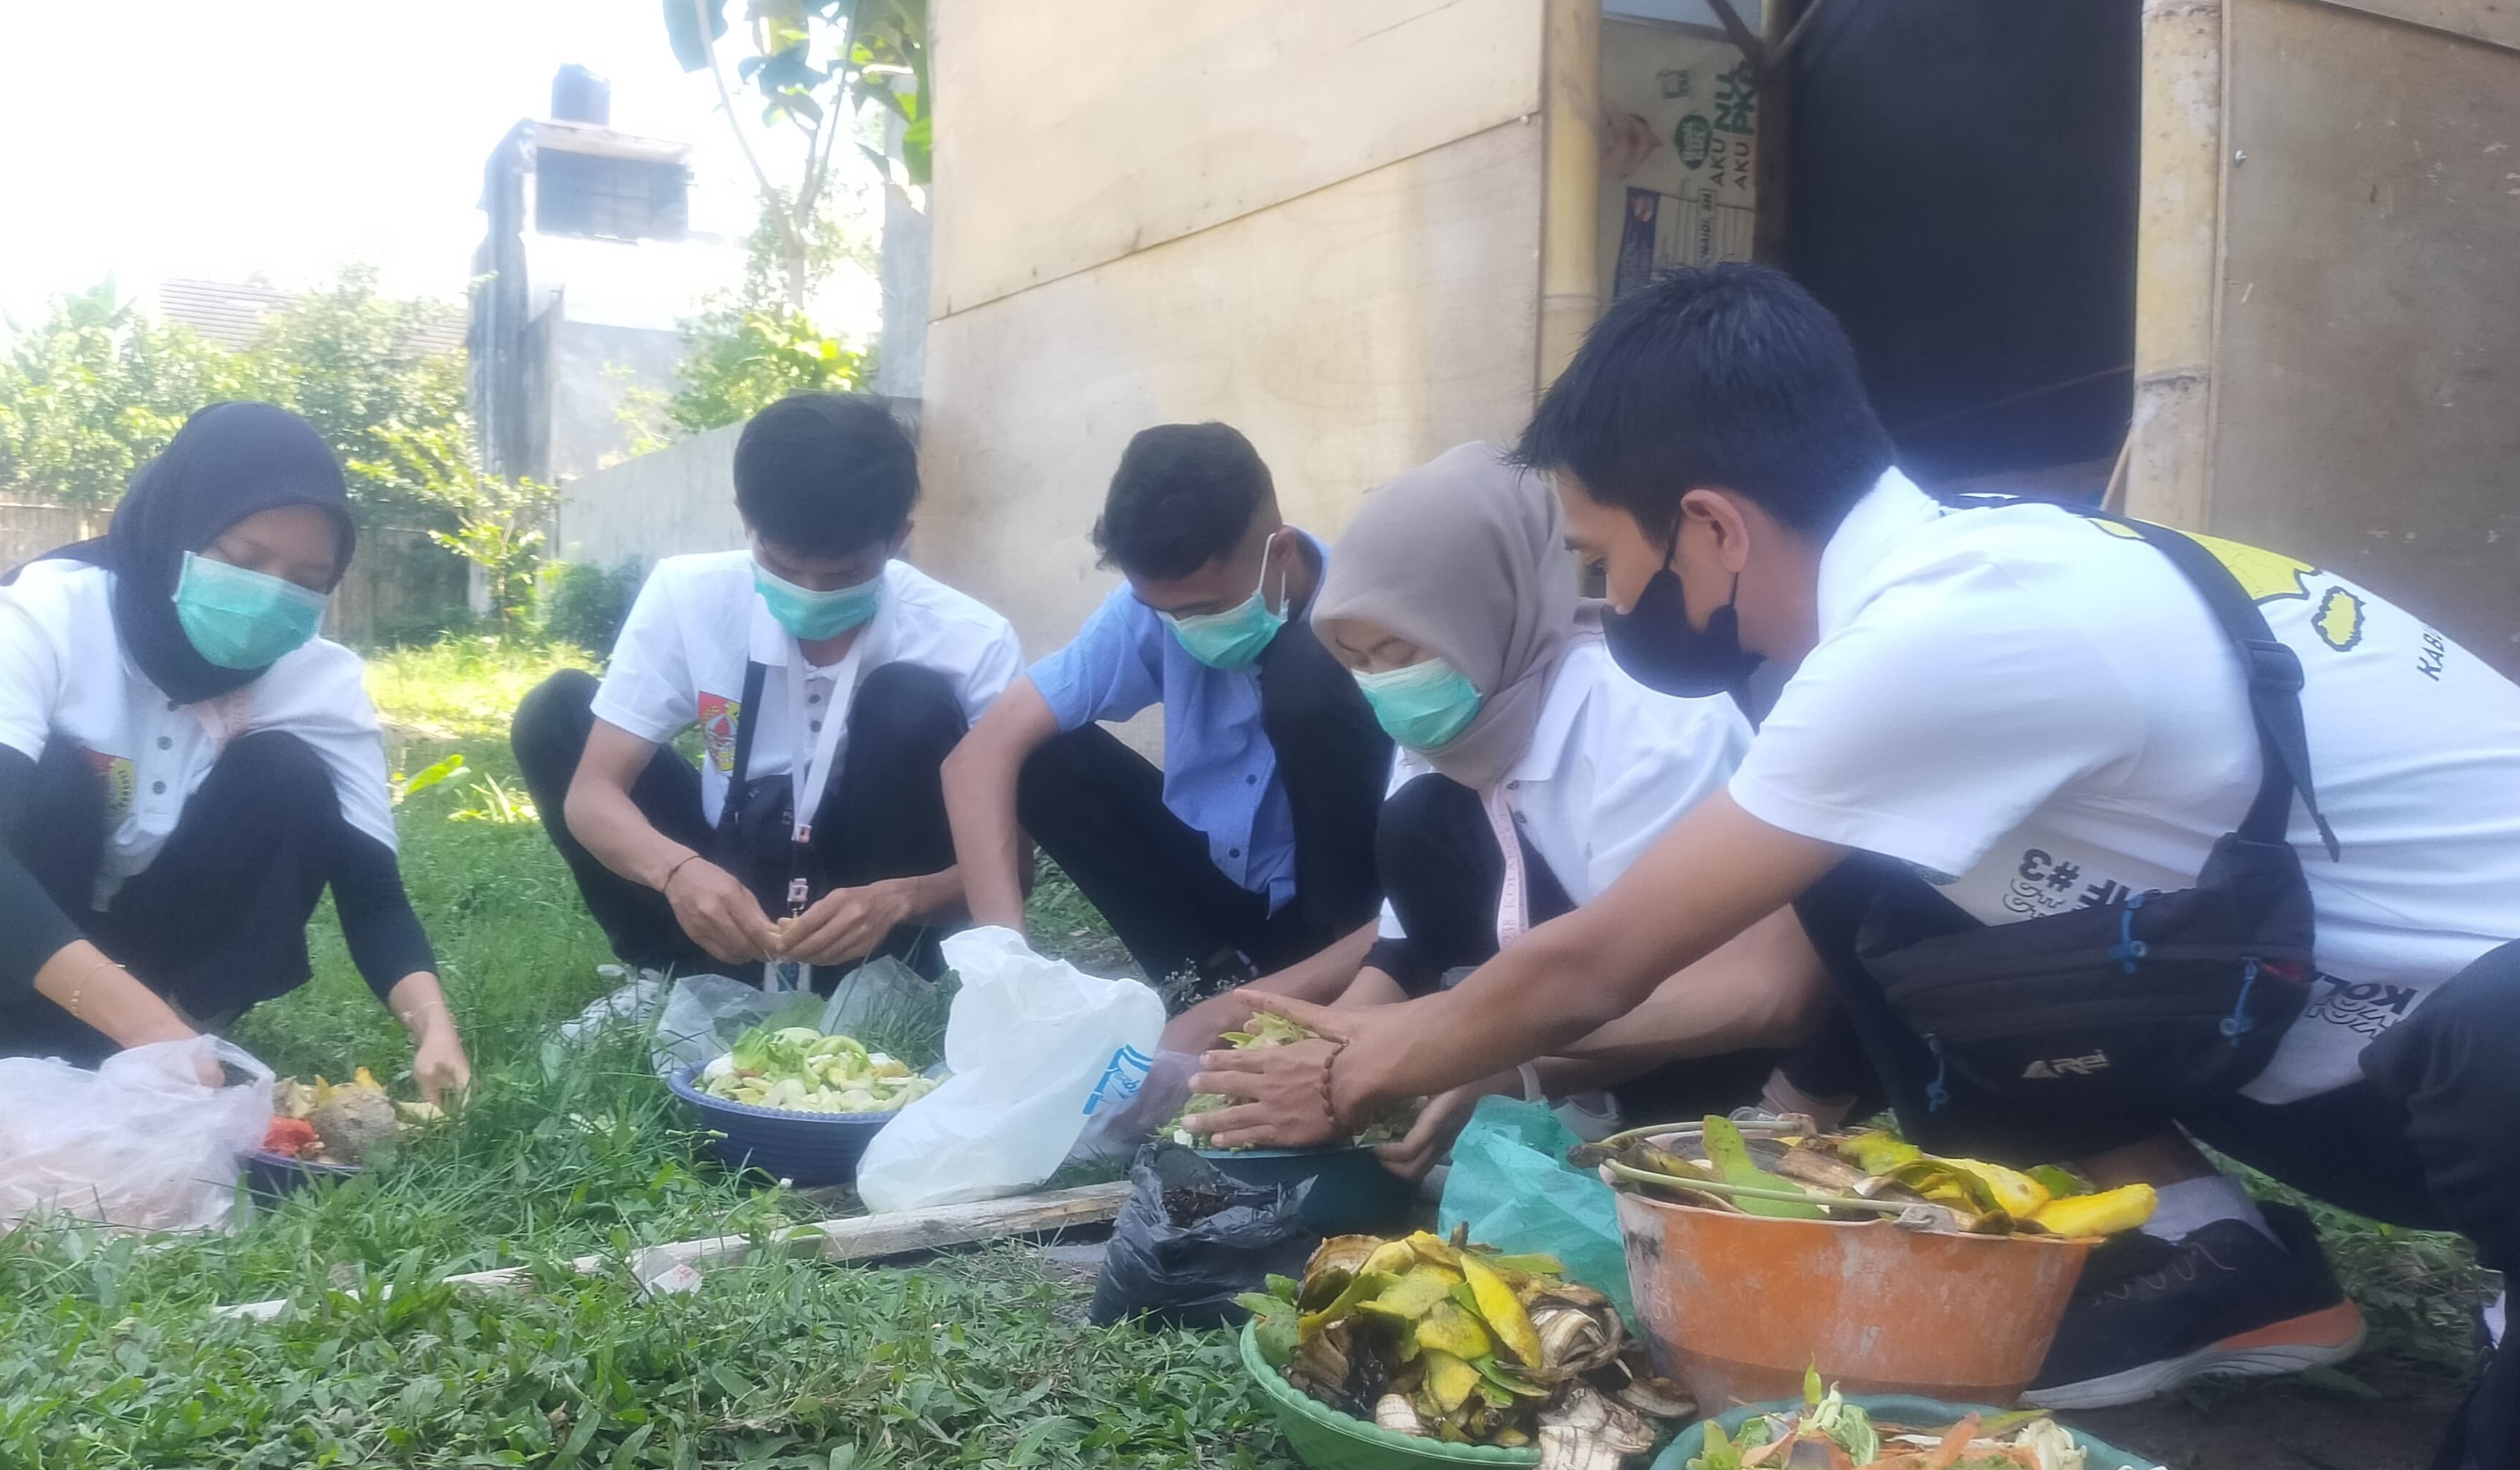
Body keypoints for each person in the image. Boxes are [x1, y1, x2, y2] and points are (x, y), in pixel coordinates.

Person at [1194, 263, 2520, 1470]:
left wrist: (1369, 1065)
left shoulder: (1958, 629)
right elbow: (1761, 943)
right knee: (1855, 879)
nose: (1610, 606)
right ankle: (2217, 1260)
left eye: (1608, 562)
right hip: (2330, 1043)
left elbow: (1600, 956)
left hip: (2513, 1067)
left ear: (1714, 526)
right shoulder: (1967, 575)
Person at [0, 402, 473, 1103]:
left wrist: (435, 1028)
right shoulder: (47, 614)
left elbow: (375, 897)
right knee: (41, 774)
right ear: (179, 526)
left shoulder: (319, 680)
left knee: (291, 778)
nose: (270, 594)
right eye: (242, 560)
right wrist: (146, 1027)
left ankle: (188, 1034)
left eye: (306, 581)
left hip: (156, 977)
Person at [1305, 442, 1790, 1175]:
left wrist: (1470, 1060)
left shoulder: (1654, 724)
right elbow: (1406, 949)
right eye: (1357, 661)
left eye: (1399, 649)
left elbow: (1664, 976)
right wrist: (1323, 1054)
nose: (1383, 683)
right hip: (1537, 1032)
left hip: (1684, 1056)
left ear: (1484, 607)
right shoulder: (1444, 719)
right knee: (1418, 823)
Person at [513, 392, 1020, 1006]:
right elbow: (593, 794)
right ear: (746, 521)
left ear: (898, 539)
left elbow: (1013, 864)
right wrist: (676, 871)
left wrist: (900, 899)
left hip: (877, 903)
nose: (809, 595)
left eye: (840, 577)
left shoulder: (968, 640)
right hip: (734, 870)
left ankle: (889, 985)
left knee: (908, 698)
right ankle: (681, 970)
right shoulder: (690, 594)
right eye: (780, 565)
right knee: (557, 712)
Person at [940, 422, 1394, 1044]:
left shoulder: (1381, 631)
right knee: (1045, 752)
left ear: (1280, 551)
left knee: (1306, 680)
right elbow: (978, 757)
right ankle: (1200, 980)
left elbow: (1424, 900)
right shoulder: (1151, 611)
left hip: (1363, 932)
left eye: (1205, 610)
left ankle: (1328, 1007)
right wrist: (1006, 967)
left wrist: (1257, 1011)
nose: (1184, 629)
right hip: (1228, 892)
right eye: (1165, 612)